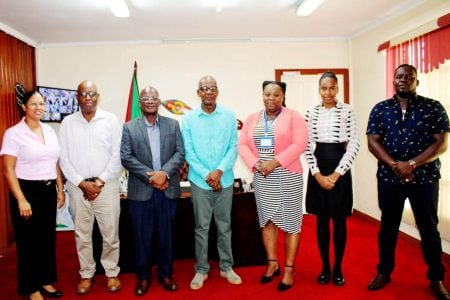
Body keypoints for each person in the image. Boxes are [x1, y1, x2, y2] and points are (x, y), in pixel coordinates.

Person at [366, 64, 450, 300]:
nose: (404, 80)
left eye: (409, 77)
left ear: (416, 82)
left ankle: (436, 278)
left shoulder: (433, 107)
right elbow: (373, 142)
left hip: (425, 178)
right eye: (399, 77)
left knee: (429, 230)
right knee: (388, 228)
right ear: (394, 81)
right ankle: (383, 272)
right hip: (389, 178)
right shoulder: (381, 109)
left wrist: (411, 164)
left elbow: (440, 144)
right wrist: (396, 166)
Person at [238, 80, 308, 291]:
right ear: (263, 95)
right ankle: (272, 263)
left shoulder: (294, 116)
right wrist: (255, 164)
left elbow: (300, 144)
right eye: (268, 94)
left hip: (288, 175)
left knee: (291, 223)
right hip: (263, 177)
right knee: (267, 220)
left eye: (276, 95)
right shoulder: (252, 118)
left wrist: (274, 162)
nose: (271, 98)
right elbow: (242, 144)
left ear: (283, 96)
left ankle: (288, 268)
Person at [59, 80, 123, 295]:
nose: (88, 97)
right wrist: (81, 183)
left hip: (106, 187)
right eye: (83, 94)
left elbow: (117, 156)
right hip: (78, 188)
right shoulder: (67, 123)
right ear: (78, 97)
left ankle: (111, 272)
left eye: (92, 93)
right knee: (82, 234)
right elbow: (63, 158)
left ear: (98, 96)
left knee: (110, 233)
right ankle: (87, 274)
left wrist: (99, 181)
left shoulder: (111, 120)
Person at [120, 86, 185, 295]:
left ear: (159, 101)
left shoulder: (173, 125)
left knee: (166, 236)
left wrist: (163, 174)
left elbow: (179, 153)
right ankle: (143, 277)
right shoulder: (129, 127)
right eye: (145, 98)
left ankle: (166, 274)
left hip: (167, 190)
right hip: (141, 192)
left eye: (153, 98)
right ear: (140, 103)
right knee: (142, 237)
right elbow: (126, 157)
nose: (149, 101)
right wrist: (153, 177)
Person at [1, 90, 65, 300]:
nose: (39, 108)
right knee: (29, 242)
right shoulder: (14, 133)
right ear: (24, 107)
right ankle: (31, 287)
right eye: (34, 104)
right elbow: (8, 169)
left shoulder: (49, 131)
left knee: (47, 239)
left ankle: (46, 280)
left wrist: (60, 188)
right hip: (26, 191)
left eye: (42, 103)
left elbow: (53, 161)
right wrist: (20, 199)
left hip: (48, 190)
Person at [181, 75, 242, 290]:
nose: (208, 91)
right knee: (201, 227)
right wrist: (208, 175)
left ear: (217, 91)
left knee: (224, 226)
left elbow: (233, 147)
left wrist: (218, 172)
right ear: (198, 93)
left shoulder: (228, 115)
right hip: (200, 182)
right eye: (204, 88)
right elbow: (189, 153)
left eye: (212, 88)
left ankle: (227, 267)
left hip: (224, 180)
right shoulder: (188, 119)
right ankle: (201, 269)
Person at [304, 72, 360, 287]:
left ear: (337, 88)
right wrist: (317, 174)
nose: (328, 92)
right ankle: (325, 266)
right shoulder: (311, 111)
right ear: (319, 89)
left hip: (340, 169)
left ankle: (338, 267)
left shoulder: (348, 110)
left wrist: (337, 174)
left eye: (332, 88)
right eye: (324, 88)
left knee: (339, 221)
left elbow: (354, 143)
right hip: (318, 167)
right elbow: (307, 146)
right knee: (321, 221)